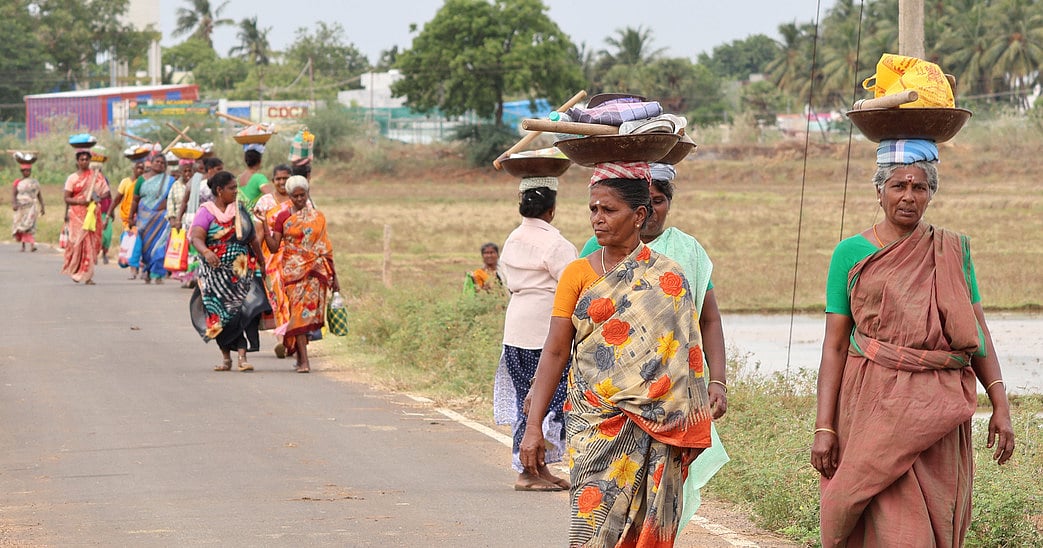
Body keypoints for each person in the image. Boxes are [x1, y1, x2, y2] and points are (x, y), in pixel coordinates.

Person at [813, 139, 1016, 547]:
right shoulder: (850, 253)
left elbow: (977, 332)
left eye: (919, 187)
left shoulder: (951, 252)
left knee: (934, 520)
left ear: (930, 194)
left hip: (938, 413)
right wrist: (824, 426)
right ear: (879, 191)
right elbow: (834, 346)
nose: (908, 196)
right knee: (884, 520)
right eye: (898, 186)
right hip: (872, 407)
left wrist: (1000, 404)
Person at [521, 162, 715, 546]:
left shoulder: (669, 277)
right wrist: (533, 426)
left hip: (657, 427)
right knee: (590, 531)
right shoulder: (577, 273)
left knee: (645, 528)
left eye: (608, 210)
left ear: (639, 215)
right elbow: (556, 350)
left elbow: (687, 357)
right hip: (593, 422)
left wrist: (700, 405)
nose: (598, 218)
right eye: (593, 209)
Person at [577, 162, 730, 518]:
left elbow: (708, 319)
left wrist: (718, 380)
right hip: (607, 398)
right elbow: (576, 327)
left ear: (667, 204)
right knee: (602, 502)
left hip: (671, 397)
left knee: (661, 503)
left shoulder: (686, 252)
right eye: (646, 202)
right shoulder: (596, 250)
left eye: (659, 201)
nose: (651, 211)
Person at [493, 177, 576, 491]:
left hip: (516, 326)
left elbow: (505, 278)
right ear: (552, 209)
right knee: (548, 399)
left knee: (524, 400)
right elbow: (574, 285)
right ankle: (527, 472)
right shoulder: (556, 244)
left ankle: (538, 468)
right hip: (545, 330)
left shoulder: (513, 239)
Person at [189, 171, 266, 372]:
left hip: (240, 273)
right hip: (214, 275)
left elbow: (252, 238)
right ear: (219, 190)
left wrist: (261, 260)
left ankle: (242, 357)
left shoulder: (239, 210)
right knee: (219, 316)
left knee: (240, 312)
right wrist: (206, 252)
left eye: (235, 187)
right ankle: (226, 358)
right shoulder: (206, 212)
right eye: (231, 188)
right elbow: (196, 237)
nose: (235, 191)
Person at [262, 176, 338, 373]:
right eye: (295, 196)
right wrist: (265, 227)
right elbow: (273, 247)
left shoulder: (318, 217)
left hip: (315, 272)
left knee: (307, 316)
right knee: (298, 315)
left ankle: (299, 355)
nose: (299, 199)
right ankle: (304, 361)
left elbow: (325, 247)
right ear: (289, 196)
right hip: (293, 273)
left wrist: (334, 277)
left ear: (307, 194)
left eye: (302, 195)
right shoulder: (282, 217)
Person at [253, 164, 293, 357]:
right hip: (271, 258)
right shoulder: (265, 202)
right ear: (273, 180)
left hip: (296, 257)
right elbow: (258, 233)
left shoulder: (299, 198)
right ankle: (282, 340)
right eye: (278, 179)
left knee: (294, 298)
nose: (282, 182)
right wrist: (255, 259)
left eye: (285, 178)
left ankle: (296, 339)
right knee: (278, 299)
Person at [61, 149, 111, 285]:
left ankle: (87, 275)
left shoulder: (96, 176)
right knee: (77, 243)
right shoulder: (72, 178)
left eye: (86, 159)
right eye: (81, 159)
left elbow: (106, 192)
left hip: (92, 213)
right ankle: (76, 270)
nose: (84, 162)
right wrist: (81, 201)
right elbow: (67, 198)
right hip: (76, 215)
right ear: (77, 161)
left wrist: (97, 197)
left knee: (89, 243)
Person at [129, 153, 175, 284]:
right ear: (151, 163)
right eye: (157, 161)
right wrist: (130, 216)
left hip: (162, 218)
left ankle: (158, 274)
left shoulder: (169, 181)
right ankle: (147, 270)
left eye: (162, 163)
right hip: (144, 217)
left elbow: (172, 199)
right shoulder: (141, 180)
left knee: (160, 244)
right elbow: (135, 199)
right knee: (145, 247)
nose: (159, 164)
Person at [109, 160, 146, 278]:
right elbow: (117, 199)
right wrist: (110, 212)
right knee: (131, 243)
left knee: (141, 243)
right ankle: (133, 268)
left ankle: (141, 268)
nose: (140, 170)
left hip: (142, 217)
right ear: (133, 169)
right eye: (138, 168)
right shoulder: (125, 182)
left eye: (142, 168)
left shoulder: (145, 183)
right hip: (128, 219)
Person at [11, 162, 44, 252]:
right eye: (25, 171)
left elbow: (39, 195)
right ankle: (23, 245)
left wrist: (42, 206)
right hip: (21, 207)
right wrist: (14, 204)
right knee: (22, 225)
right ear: (21, 171)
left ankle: (32, 245)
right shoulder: (18, 182)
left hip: (31, 207)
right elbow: (14, 194)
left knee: (30, 225)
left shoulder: (34, 182)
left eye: (28, 171)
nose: (27, 172)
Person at [238, 144, 272, 211]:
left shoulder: (238, 178)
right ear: (260, 161)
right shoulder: (259, 178)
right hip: (253, 214)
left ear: (245, 161)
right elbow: (270, 197)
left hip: (240, 213)